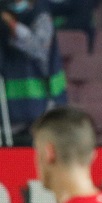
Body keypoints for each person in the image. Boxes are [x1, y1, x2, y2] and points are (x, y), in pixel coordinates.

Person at [0, 0, 67, 146]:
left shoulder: (41, 13)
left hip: (42, 112)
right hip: (8, 117)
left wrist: (12, 25)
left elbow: (37, 48)